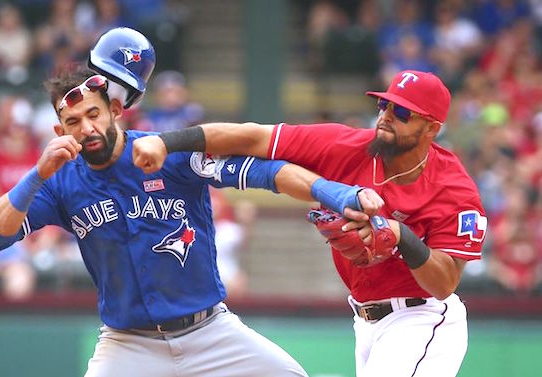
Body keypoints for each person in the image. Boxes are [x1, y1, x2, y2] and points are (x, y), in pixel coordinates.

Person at [0, 28, 385, 377]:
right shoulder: (58, 182)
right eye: (73, 122)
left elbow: (267, 172)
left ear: (116, 110)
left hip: (210, 333)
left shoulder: (165, 153)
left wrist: (333, 192)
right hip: (127, 345)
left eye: (94, 114)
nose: (87, 128)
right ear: (58, 129)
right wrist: (36, 174)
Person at [132, 70, 488, 377]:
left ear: (432, 128)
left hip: (423, 318)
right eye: (384, 105)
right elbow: (255, 137)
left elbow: (445, 284)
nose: (386, 116)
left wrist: (400, 236)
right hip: (365, 320)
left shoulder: (453, 189)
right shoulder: (346, 146)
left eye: (403, 112)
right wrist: (166, 142)